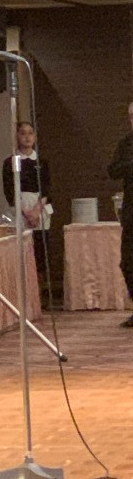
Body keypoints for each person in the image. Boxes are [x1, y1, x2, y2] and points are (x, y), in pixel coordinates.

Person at [2, 121, 53, 279]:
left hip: (39, 206)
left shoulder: (42, 162)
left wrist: (36, 211)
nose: (27, 137)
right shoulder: (10, 162)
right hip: (20, 207)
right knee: (22, 249)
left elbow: (47, 188)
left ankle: (40, 284)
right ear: (17, 136)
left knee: (40, 249)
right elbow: (9, 190)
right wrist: (26, 213)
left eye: (30, 133)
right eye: (23, 133)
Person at [108, 102, 133, 327]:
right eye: (132, 116)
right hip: (132, 210)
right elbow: (113, 170)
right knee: (128, 262)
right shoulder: (125, 144)